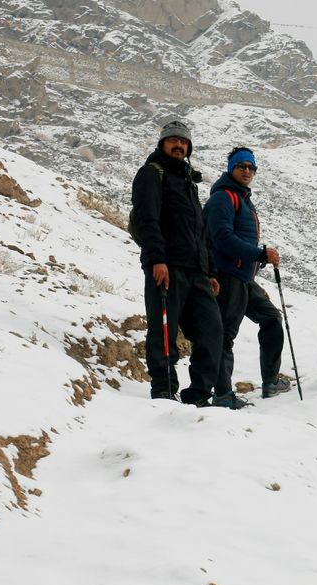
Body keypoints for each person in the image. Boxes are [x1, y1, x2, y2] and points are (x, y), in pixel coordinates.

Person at [131, 120, 222, 406]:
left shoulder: (188, 183)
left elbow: (200, 231)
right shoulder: (151, 174)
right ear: (162, 144)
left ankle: (198, 395)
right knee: (164, 330)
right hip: (166, 267)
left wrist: (210, 272)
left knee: (212, 332)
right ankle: (163, 389)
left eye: (183, 142)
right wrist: (157, 259)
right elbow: (147, 219)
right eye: (172, 140)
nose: (178, 145)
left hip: (197, 273)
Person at [204, 147, 291, 409]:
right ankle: (222, 395)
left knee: (272, 318)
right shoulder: (223, 198)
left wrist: (255, 266)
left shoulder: (242, 199)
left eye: (251, 168)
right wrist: (260, 254)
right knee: (225, 336)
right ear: (231, 168)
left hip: (242, 278)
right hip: (227, 277)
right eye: (241, 166)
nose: (246, 171)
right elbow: (222, 239)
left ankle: (270, 382)